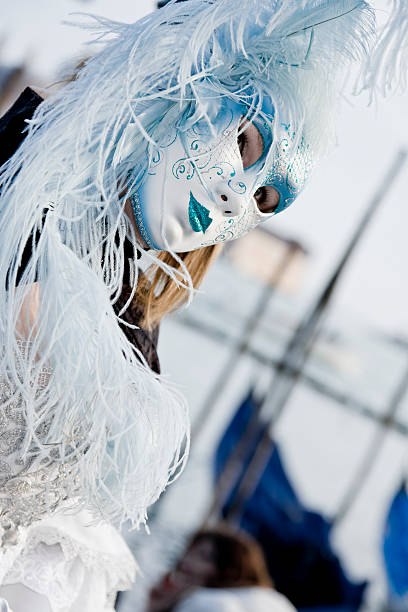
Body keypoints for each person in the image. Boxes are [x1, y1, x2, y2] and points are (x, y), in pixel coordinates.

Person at [0, 0, 405, 609]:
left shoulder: (132, 315)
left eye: (266, 199)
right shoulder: (22, 201)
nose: (232, 195)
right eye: (241, 141)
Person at [147, 526, 295, 612]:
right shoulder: (274, 600)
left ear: (230, 569)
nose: (186, 561)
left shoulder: (207, 602)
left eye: (203, 556)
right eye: (188, 553)